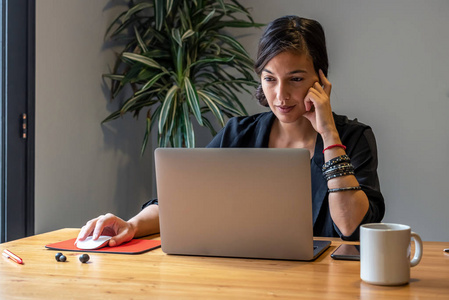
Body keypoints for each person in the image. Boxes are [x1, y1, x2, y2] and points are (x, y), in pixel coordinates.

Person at [76, 15, 384, 247]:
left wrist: (329, 134)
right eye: (270, 79)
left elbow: (350, 227)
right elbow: (183, 199)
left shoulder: (354, 138)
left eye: (295, 79)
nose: (280, 96)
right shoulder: (240, 133)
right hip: (245, 277)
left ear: (320, 79)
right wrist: (130, 225)